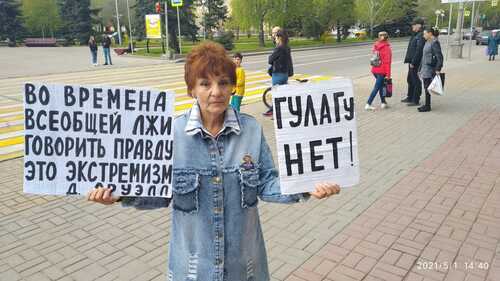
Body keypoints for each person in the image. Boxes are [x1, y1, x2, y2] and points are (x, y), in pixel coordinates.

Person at [87, 42, 341, 281]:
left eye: (223, 82)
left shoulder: (251, 130)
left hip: (244, 268)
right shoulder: (171, 134)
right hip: (193, 270)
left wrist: (306, 185)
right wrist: (120, 195)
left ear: (232, 86)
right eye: (205, 84)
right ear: (191, 89)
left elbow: (266, 183)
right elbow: (158, 193)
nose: (216, 92)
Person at [263, 30, 293, 117]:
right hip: (285, 74)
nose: (275, 39)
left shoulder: (279, 48)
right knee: (282, 94)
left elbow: (270, 60)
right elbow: (289, 61)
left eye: (276, 37)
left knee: (276, 94)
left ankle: (273, 111)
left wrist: (273, 51)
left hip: (278, 74)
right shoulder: (287, 47)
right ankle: (280, 112)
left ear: (279, 38)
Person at [418, 27, 443, 113]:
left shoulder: (434, 43)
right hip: (425, 67)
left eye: (425, 33)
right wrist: (420, 68)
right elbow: (423, 56)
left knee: (427, 87)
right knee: (426, 86)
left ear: (430, 34)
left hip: (430, 68)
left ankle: (427, 106)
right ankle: (426, 104)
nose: (423, 35)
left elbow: (439, 56)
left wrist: (438, 68)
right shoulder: (427, 42)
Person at [365, 31, 392, 111]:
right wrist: (388, 75)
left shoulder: (376, 45)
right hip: (382, 71)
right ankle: (368, 103)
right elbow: (387, 63)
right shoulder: (387, 48)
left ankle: (383, 102)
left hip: (375, 70)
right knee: (377, 87)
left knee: (381, 86)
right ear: (387, 38)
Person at [402, 18, 425, 106]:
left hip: (415, 62)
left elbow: (419, 50)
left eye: (414, 24)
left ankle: (415, 100)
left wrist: (413, 62)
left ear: (419, 25)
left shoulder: (420, 35)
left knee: (416, 80)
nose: (412, 26)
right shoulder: (415, 34)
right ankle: (410, 96)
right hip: (411, 61)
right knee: (410, 79)